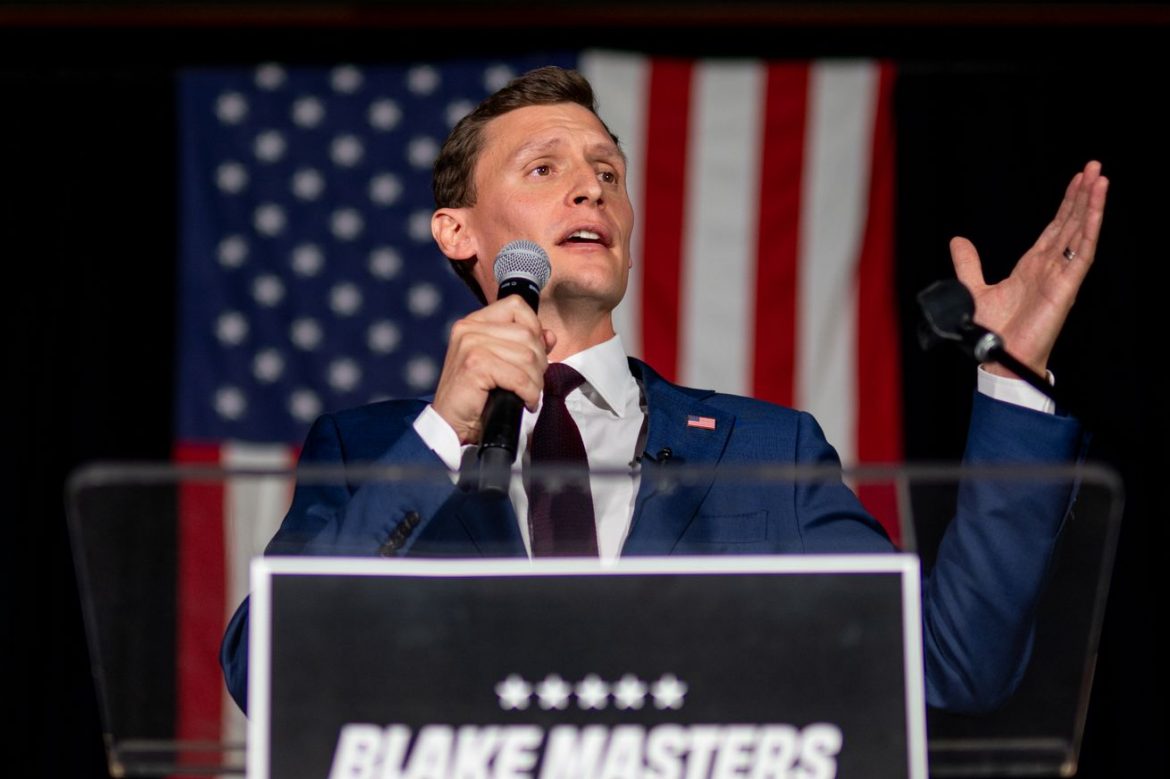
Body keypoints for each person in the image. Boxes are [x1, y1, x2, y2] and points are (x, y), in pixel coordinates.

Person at [220, 66, 1108, 715]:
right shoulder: (369, 452)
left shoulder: (768, 451)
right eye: (544, 168)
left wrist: (1010, 377)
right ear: (457, 232)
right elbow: (270, 669)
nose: (590, 188)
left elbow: (952, 662)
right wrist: (442, 435)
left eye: (608, 172)